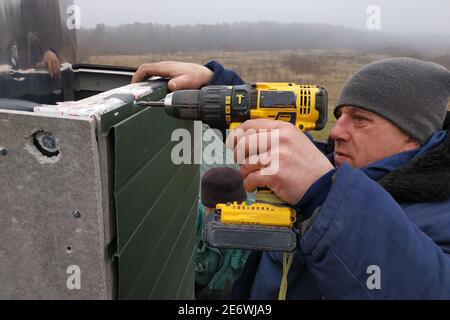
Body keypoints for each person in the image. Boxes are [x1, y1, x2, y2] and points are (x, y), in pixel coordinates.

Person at [133, 58, 450, 299]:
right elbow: (272, 134)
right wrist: (217, 89)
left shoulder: (439, 212)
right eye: (340, 116)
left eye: (361, 120)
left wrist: (326, 195)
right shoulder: (338, 166)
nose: (337, 132)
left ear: (413, 136)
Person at [196, 167, 251, 300]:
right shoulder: (196, 217)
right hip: (197, 284)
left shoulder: (254, 227)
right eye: (209, 210)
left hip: (227, 292)